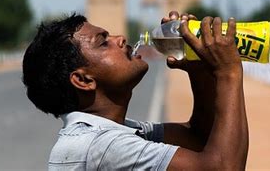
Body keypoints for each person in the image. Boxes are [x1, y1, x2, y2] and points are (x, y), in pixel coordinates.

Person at [22, 11, 249, 170]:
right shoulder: (100, 146)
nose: (120, 38)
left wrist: (198, 70)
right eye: (103, 43)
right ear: (83, 79)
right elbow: (222, 167)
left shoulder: (111, 133)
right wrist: (228, 73)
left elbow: (198, 138)